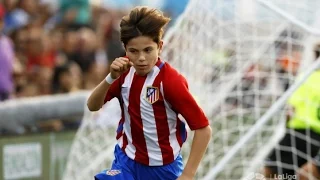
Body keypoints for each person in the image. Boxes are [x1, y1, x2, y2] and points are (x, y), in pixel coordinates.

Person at [87, 6, 212, 180]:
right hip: (126, 161)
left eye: (148, 50)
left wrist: (188, 175)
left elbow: (203, 130)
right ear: (125, 48)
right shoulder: (122, 73)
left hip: (163, 169)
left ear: (159, 47)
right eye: (134, 51)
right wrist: (110, 78)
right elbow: (92, 106)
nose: (141, 58)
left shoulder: (171, 81)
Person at [263, 46, 320, 179]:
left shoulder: (308, 77)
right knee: (307, 174)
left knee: (271, 171)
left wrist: (287, 126)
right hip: (318, 140)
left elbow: (291, 109)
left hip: (299, 133)